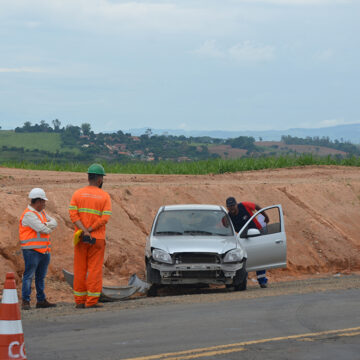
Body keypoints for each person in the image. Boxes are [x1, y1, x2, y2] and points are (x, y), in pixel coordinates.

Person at [69, 164, 112, 309]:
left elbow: (73, 215)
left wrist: (84, 230)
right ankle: (91, 301)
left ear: (88, 177)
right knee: (94, 269)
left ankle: (79, 301)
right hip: (97, 238)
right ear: (100, 179)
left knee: (79, 269)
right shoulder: (104, 196)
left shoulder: (77, 194)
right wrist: (91, 229)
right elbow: (105, 218)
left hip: (80, 237)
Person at [19, 188, 58, 310]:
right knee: (29, 276)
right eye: (43, 202)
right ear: (38, 201)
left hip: (44, 250)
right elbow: (44, 229)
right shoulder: (29, 215)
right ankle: (26, 301)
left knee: (40, 277)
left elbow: (54, 222)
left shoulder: (41, 213)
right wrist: (47, 226)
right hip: (31, 251)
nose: (44, 204)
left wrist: (46, 225)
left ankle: (41, 300)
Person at [225, 196, 269, 288]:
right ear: (227, 207)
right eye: (229, 206)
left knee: (259, 257)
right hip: (243, 239)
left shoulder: (244, 205)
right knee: (243, 260)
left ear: (236, 204)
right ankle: (241, 282)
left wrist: (265, 216)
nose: (231, 208)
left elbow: (256, 206)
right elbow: (224, 225)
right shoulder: (228, 217)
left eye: (233, 205)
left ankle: (262, 281)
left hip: (257, 234)